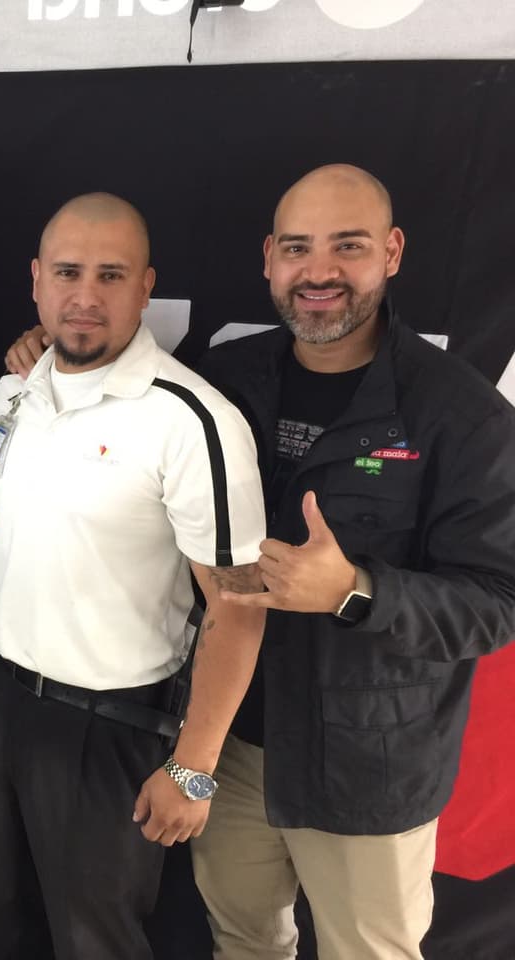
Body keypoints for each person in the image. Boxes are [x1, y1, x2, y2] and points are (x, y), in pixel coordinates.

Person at [189, 165, 515, 959]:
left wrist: (356, 592)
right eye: (298, 248)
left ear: (393, 252)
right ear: (269, 258)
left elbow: (498, 604)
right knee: (242, 941)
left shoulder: (460, 413)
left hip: (371, 772)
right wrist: (43, 354)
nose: (319, 272)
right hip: (232, 756)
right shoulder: (223, 384)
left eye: (349, 246)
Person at [0, 193, 268, 960]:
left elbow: (239, 605)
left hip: (109, 725)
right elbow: (1, 508)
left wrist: (195, 768)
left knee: (97, 942)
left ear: (145, 287)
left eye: (110, 275)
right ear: (36, 281)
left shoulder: (193, 420)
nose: (85, 295)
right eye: (68, 272)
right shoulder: (14, 395)